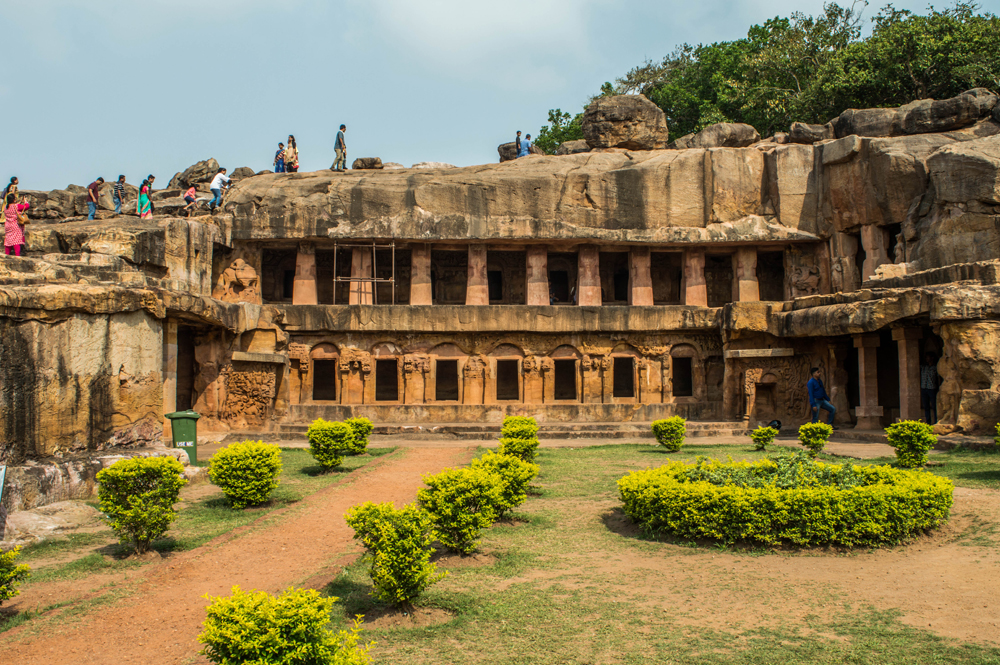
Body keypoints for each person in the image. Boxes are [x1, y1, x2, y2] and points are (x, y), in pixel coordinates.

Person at [921, 352, 940, 424]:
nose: (926, 359)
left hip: (932, 388)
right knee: (926, 407)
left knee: (934, 406)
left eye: (928, 357)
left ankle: (936, 422)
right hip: (924, 388)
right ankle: (928, 422)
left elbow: (938, 378)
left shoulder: (935, 368)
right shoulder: (924, 367)